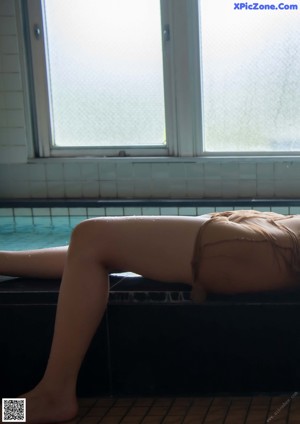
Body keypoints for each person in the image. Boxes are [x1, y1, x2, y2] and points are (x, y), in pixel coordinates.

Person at [0, 210, 300, 423]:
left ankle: (53, 395)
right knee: (90, 245)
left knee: (92, 233)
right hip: (270, 233)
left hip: (268, 247)